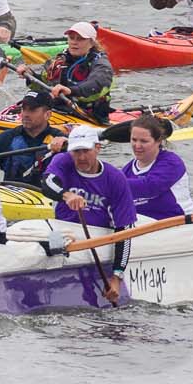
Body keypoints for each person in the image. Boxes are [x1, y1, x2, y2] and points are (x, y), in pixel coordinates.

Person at [41, 126, 133, 301]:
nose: (81, 157)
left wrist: (116, 277)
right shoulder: (63, 160)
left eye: (86, 151)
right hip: (63, 231)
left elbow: (125, 230)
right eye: (76, 152)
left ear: (97, 148)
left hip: (97, 236)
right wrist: (66, 195)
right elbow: (47, 183)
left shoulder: (115, 178)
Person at [0, 92, 65, 187]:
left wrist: (67, 145)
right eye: (24, 109)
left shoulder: (61, 140)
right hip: (12, 197)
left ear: (47, 115)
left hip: (45, 197)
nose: (25, 114)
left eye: (32, 110)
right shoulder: (7, 138)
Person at [40, 22, 116, 123]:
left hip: (90, 116)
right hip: (59, 110)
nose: (74, 42)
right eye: (71, 38)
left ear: (92, 43)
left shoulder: (101, 63)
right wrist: (29, 75)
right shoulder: (61, 60)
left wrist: (71, 90)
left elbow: (97, 83)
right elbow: (43, 84)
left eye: (80, 39)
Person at [123, 114, 192, 220]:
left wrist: (109, 182)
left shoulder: (171, 162)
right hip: (142, 225)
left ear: (159, 141)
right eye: (134, 139)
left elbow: (150, 187)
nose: (137, 145)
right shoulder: (127, 170)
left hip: (178, 222)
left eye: (144, 141)